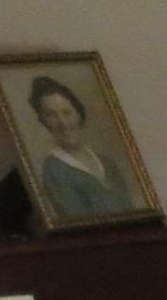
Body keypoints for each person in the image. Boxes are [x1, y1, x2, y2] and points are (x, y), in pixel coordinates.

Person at [25, 76, 142, 218]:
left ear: (78, 114)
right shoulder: (54, 170)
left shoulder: (107, 163)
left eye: (67, 112)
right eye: (51, 115)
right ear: (44, 122)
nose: (62, 123)